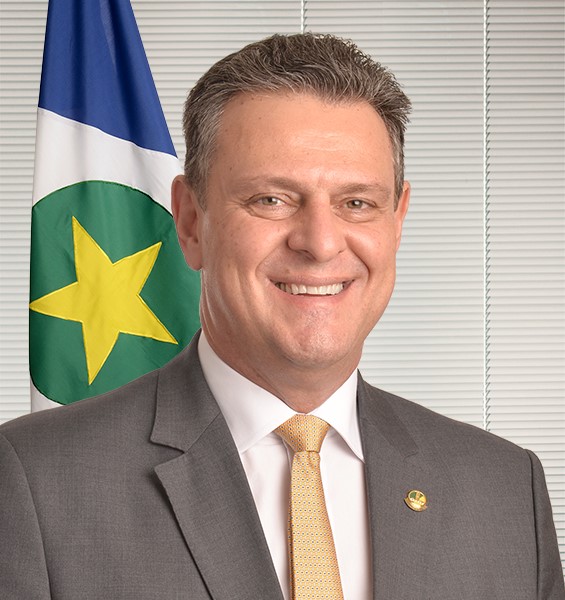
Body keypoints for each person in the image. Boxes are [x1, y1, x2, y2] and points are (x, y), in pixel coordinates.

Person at [0, 33, 563, 600]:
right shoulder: (34, 480)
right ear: (190, 221)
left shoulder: (504, 489)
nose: (320, 243)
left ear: (397, 221)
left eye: (357, 203)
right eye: (271, 199)